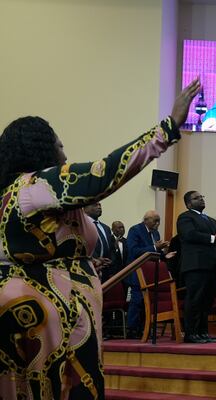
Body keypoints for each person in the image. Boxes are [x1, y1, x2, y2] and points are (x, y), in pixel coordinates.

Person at [0, 79, 200, 399]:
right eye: (60, 145)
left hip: (43, 309)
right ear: (41, 149)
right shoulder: (38, 186)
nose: (65, 155)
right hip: (52, 316)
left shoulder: (15, 194)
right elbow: (105, 173)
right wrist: (168, 128)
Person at [177, 191, 216, 344]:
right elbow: (189, 235)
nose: (201, 199)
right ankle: (191, 334)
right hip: (196, 265)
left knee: (207, 301)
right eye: (196, 198)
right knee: (195, 299)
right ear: (188, 204)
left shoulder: (211, 220)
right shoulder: (185, 217)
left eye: (202, 197)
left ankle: (203, 332)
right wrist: (214, 238)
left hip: (211, 266)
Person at [125, 210, 170, 339]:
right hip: (137, 272)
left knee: (148, 302)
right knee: (137, 301)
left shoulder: (155, 233)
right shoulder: (135, 230)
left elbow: (155, 253)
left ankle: (144, 329)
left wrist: (164, 254)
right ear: (146, 220)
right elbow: (134, 251)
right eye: (155, 220)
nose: (158, 223)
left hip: (151, 273)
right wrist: (156, 248)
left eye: (159, 221)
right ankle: (132, 330)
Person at [84, 202, 115, 282]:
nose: (99, 207)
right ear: (84, 208)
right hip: (89, 270)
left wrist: (110, 260)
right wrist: (96, 259)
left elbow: (112, 247)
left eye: (100, 205)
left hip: (106, 271)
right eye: (95, 205)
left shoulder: (106, 228)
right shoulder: (81, 226)